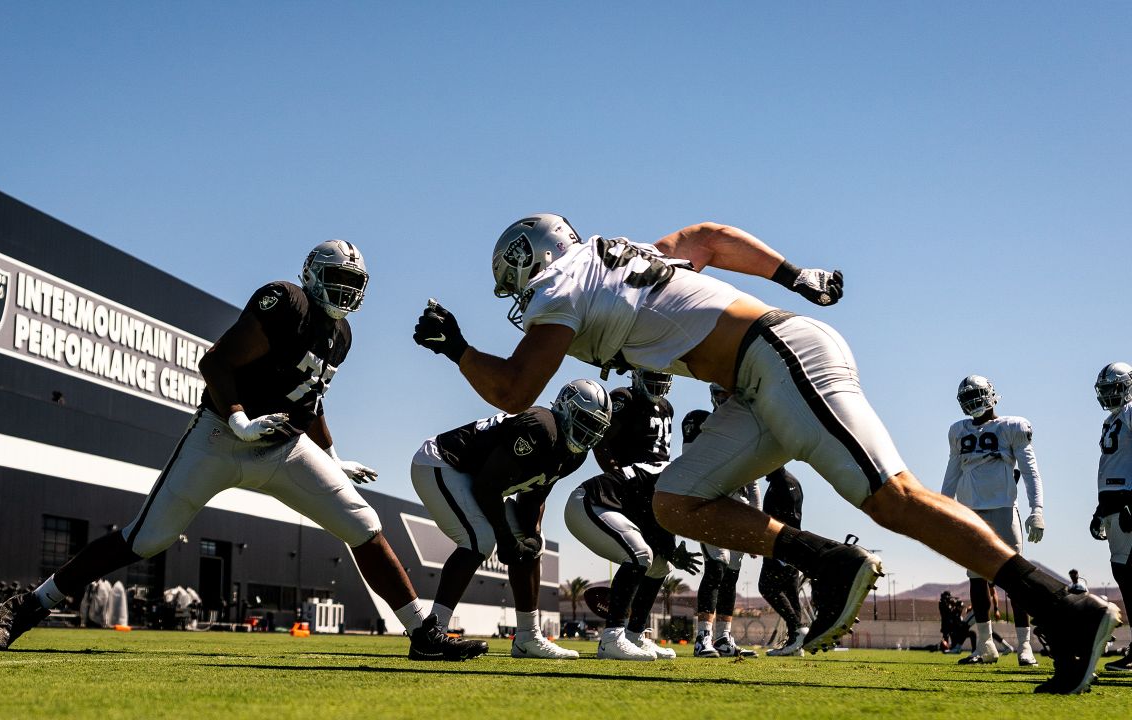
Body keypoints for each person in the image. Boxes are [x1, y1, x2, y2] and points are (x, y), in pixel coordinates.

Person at [412, 213, 1121, 694]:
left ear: (528, 262)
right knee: (674, 500)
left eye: (515, 279)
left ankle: (1065, 608)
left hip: (780, 361)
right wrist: (796, 273)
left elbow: (513, 389)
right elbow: (709, 239)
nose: (519, 296)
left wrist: (456, 349)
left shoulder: (563, 283)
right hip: (754, 383)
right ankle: (829, 562)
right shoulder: (611, 263)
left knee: (891, 499)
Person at [0, 241, 486, 662]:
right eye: (336, 277)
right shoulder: (284, 301)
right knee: (145, 539)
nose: (345, 289)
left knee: (364, 525)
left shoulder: (341, 335)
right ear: (311, 275)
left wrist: (332, 457)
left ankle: (423, 634)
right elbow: (217, 363)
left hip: (285, 447)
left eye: (353, 281)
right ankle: (30, 604)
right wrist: (241, 420)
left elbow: (309, 400)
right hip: (222, 436)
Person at [411, 378, 612, 659]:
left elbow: (534, 494)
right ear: (565, 408)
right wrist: (506, 540)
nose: (588, 433)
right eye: (584, 421)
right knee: (480, 539)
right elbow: (487, 486)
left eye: (595, 427)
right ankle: (431, 633)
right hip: (443, 462)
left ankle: (528, 637)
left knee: (531, 544)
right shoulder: (541, 427)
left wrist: (531, 536)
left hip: (478, 478)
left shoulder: (574, 456)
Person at [565, 369, 701, 660]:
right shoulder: (623, 399)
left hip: (635, 494)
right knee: (642, 555)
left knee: (659, 566)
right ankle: (612, 638)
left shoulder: (667, 456)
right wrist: (617, 474)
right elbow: (602, 439)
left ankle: (633, 635)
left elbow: (659, 512)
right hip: (606, 496)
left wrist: (671, 550)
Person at [940, 375, 1044, 667]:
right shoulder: (957, 431)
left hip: (1003, 509)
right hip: (971, 512)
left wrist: (1037, 508)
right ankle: (985, 645)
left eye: (977, 395)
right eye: (967, 397)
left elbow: (1030, 471)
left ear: (991, 395)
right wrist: (943, 510)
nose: (973, 402)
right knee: (976, 578)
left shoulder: (1011, 427)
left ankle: (1025, 646)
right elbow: (952, 473)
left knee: (1015, 581)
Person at [684, 386, 758, 658]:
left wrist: (755, 521)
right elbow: (692, 465)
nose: (725, 399)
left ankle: (723, 638)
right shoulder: (700, 422)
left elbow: (753, 481)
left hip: (738, 507)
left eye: (730, 394)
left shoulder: (746, 427)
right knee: (717, 566)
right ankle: (702, 637)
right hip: (712, 503)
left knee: (732, 575)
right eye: (721, 393)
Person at [1091, 362, 1132, 672]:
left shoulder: (1130, 412)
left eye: (1113, 389)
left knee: (1128, 574)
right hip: (1113, 506)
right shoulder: (1112, 419)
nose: (1108, 395)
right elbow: (1109, 470)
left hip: (1127, 503)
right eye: (1104, 390)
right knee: (1123, 572)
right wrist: (1099, 510)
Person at [758, 466, 806, 656]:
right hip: (781, 546)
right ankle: (796, 643)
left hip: (781, 547)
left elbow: (791, 520)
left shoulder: (786, 483)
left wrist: (782, 552)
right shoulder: (778, 481)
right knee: (790, 593)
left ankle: (797, 631)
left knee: (767, 587)